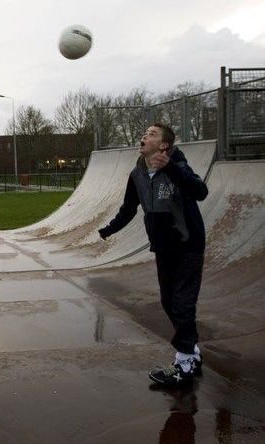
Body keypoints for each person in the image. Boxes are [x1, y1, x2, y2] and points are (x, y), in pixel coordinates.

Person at [98, 123, 208, 386]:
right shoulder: (137, 174)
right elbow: (129, 208)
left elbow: (200, 192)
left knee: (182, 303)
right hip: (163, 248)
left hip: (188, 245)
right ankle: (191, 352)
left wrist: (169, 167)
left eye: (152, 134)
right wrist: (109, 229)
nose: (144, 135)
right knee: (169, 302)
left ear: (164, 146)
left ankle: (183, 364)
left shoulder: (177, 165)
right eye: (144, 132)